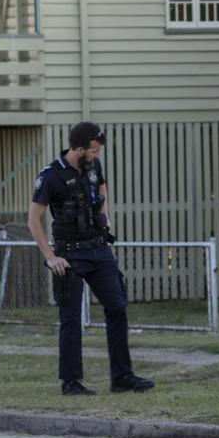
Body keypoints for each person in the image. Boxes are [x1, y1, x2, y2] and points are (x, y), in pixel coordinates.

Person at [27, 122, 155, 396]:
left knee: (118, 306)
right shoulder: (51, 176)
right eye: (94, 152)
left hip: (98, 249)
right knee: (71, 318)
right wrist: (51, 257)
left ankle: (122, 377)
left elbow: (103, 190)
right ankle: (71, 382)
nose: (97, 156)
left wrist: (104, 218)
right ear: (79, 148)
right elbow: (33, 220)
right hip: (69, 254)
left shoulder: (93, 167)